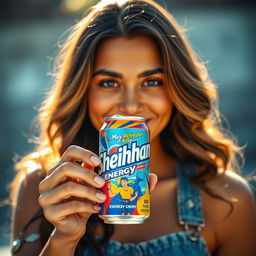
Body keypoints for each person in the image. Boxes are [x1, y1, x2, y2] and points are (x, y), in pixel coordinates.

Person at [10, 0, 256, 255]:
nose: (130, 105)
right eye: (108, 83)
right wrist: (63, 239)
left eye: (151, 81)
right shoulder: (42, 186)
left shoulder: (228, 199)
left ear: (177, 88)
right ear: (83, 91)